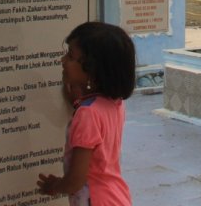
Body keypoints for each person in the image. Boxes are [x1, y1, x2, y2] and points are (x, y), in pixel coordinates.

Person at [36, 21, 136, 205]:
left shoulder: (87, 114)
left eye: (71, 56)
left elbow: (76, 180)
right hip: (116, 196)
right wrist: (77, 101)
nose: (63, 61)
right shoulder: (114, 102)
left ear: (93, 69)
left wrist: (55, 185)